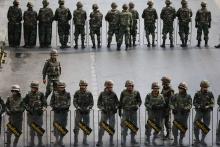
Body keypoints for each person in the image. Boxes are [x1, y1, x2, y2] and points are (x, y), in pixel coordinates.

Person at [23, 81, 47, 147]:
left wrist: (43, 109)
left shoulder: (41, 94)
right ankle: (32, 143)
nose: (33, 89)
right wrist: (28, 109)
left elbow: (45, 104)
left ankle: (40, 143)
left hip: (39, 114)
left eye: (34, 87)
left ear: (37, 88)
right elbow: (24, 103)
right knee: (32, 129)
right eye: (32, 87)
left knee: (39, 129)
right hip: (31, 114)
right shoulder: (28, 94)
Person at [96, 80, 119, 146]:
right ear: (106, 87)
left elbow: (117, 103)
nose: (110, 88)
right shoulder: (102, 94)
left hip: (112, 113)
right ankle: (100, 141)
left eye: (111, 87)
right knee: (102, 127)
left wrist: (116, 108)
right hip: (104, 113)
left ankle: (111, 141)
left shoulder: (114, 94)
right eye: (109, 87)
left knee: (111, 127)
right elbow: (98, 104)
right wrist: (102, 108)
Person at [120, 80, 142, 146]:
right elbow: (120, 102)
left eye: (131, 86)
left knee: (133, 126)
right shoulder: (123, 92)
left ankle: (133, 139)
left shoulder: (136, 92)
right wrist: (120, 110)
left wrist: (137, 106)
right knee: (125, 125)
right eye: (128, 86)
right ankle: (123, 139)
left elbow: (139, 101)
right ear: (126, 86)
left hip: (133, 111)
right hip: (126, 111)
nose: (130, 87)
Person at [193, 80, 214, 146]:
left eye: (206, 87)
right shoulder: (197, 94)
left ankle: (203, 140)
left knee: (205, 126)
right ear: (201, 87)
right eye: (204, 87)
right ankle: (197, 139)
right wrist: (198, 106)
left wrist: (208, 106)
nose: (205, 88)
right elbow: (194, 102)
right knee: (196, 125)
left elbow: (212, 103)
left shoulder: (210, 94)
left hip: (207, 111)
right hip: (199, 111)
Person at [50, 82, 71, 147]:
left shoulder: (67, 94)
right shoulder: (54, 93)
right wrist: (55, 107)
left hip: (64, 113)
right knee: (56, 127)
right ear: (58, 87)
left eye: (62, 87)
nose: (61, 88)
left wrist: (64, 107)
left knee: (63, 127)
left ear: (64, 87)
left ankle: (61, 140)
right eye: (60, 87)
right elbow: (51, 103)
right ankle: (56, 139)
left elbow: (69, 103)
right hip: (57, 113)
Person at [73, 80, 94, 146]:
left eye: (84, 85)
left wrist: (89, 107)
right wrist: (77, 107)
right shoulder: (77, 93)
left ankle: (85, 141)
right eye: (82, 85)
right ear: (80, 85)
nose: (83, 86)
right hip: (79, 112)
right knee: (76, 127)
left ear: (86, 86)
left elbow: (91, 102)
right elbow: (74, 101)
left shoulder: (89, 93)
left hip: (86, 113)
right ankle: (75, 142)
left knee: (86, 127)